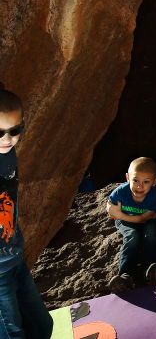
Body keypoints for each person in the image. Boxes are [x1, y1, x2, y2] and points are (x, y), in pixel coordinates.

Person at [0, 88, 53, 339]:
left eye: (14, 130)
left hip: (14, 258)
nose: (7, 139)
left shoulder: (8, 154)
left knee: (42, 326)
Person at [106, 157, 156, 293]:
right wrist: (118, 216)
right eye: (135, 180)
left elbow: (144, 219)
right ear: (127, 177)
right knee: (132, 236)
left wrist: (119, 214)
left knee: (152, 232)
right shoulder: (120, 192)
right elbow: (110, 211)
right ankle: (125, 275)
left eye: (146, 182)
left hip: (145, 221)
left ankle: (152, 268)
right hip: (126, 222)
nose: (139, 186)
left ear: (155, 182)